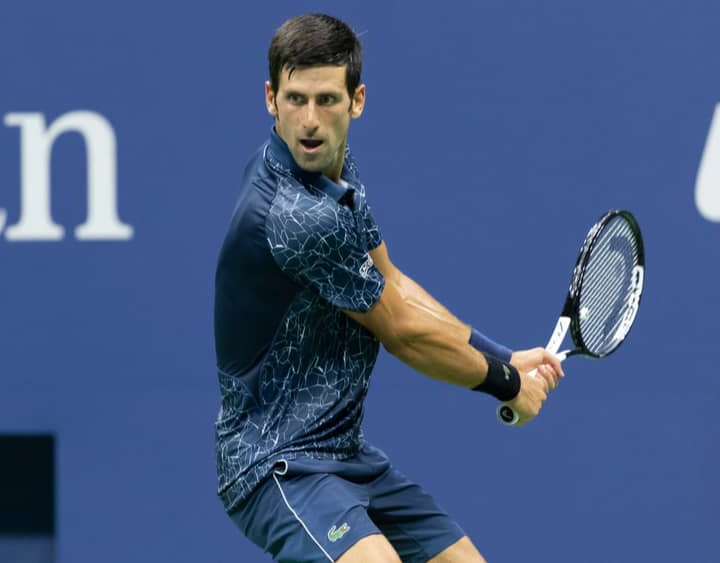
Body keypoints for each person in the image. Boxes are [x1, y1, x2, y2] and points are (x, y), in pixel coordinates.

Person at [213, 13, 564, 563]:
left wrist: (504, 356)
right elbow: (402, 333)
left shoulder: (337, 170)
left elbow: (392, 283)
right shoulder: (296, 214)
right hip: (275, 462)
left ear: (358, 100)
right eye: (295, 98)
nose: (309, 120)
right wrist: (505, 383)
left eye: (327, 100)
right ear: (270, 98)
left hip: (343, 451)